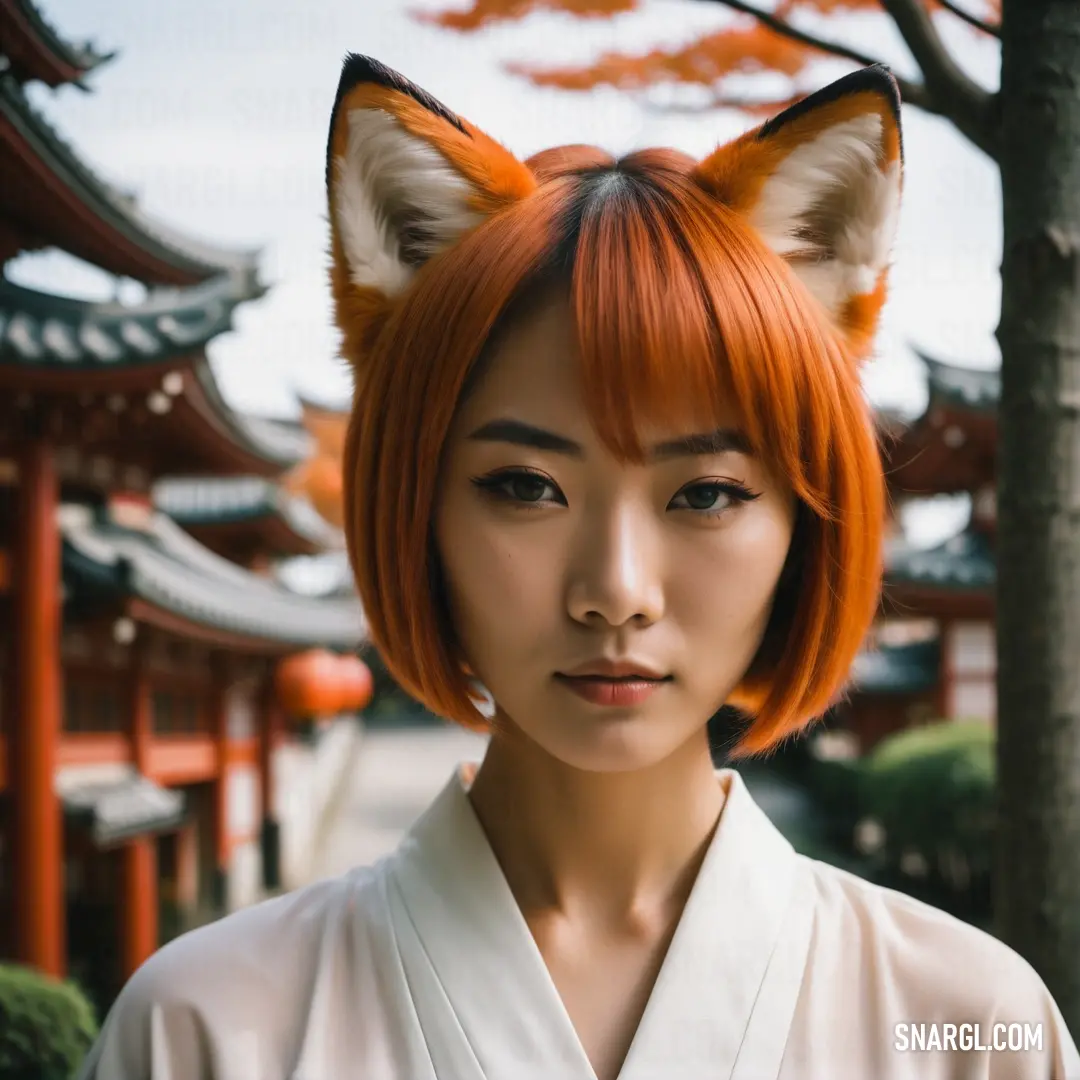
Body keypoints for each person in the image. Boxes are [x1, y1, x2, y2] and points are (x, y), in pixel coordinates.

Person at [77, 54, 1080, 1080]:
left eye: (705, 494)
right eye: (524, 487)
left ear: (804, 526)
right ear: (415, 509)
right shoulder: (203, 1030)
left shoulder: (973, 1024)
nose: (616, 590)